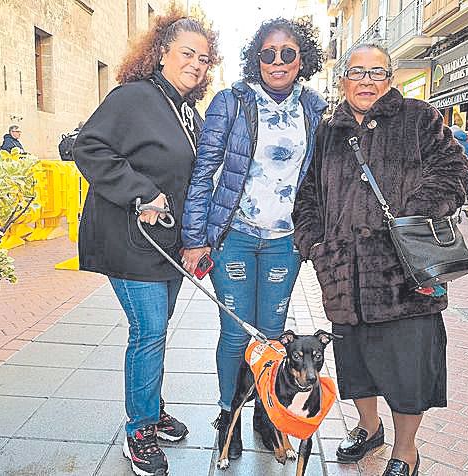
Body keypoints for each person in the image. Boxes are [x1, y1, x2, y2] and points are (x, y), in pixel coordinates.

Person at [293, 44, 468, 476]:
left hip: (404, 274)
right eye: (357, 72)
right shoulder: (328, 131)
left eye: (377, 72)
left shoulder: (417, 117)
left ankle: (405, 450)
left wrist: (410, 222)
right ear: (343, 80)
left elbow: (456, 172)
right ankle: (369, 428)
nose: (367, 81)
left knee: (408, 368)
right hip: (344, 273)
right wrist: (315, 243)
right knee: (355, 362)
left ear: (390, 78)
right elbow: (308, 195)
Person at [73, 8, 219, 476]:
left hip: (165, 248)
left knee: (155, 332)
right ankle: (139, 431)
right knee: (149, 331)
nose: (196, 63)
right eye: (186, 53)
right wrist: (142, 193)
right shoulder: (133, 97)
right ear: (161, 53)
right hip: (128, 239)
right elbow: (88, 147)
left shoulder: (186, 111)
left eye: (204, 57)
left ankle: (151, 408)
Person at [181, 17, 326, 460]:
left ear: (303, 59)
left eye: (288, 53)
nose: (278, 62)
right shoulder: (232, 102)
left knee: (270, 337)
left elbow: (319, 180)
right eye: (268, 53)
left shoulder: (316, 108)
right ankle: (230, 416)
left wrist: (314, 236)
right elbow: (203, 171)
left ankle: (267, 413)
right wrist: (194, 238)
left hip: (285, 241)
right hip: (236, 236)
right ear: (256, 58)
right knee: (234, 333)